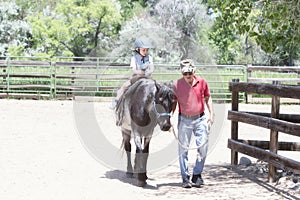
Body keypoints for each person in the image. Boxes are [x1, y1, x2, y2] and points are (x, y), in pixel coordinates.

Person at [172, 59, 214, 188]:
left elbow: (208, 97)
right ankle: (185, 177)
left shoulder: (202, 82)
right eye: (185, 74)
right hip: (184, 119)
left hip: (200, 118)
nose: (187, 76)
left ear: (194, 71)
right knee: (183, 149)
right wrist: (170, 116)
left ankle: (197, 175)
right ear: (181, 73)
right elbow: (174, 102)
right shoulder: (177, 85)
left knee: (203, 147)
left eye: (189, 73)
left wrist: (211, 114)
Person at [113, 36, 155, 125]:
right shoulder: (134, 58)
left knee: (157, 88)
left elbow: (152, 68)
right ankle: (117, 101)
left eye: (147, 50)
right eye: (143, 50)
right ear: (138, 49)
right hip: (137, 77)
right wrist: (140, 72)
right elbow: (134, 70)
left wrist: (148, 72)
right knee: (124, 86)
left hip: (147, 77)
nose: (145, 52)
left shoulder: (150, 58)